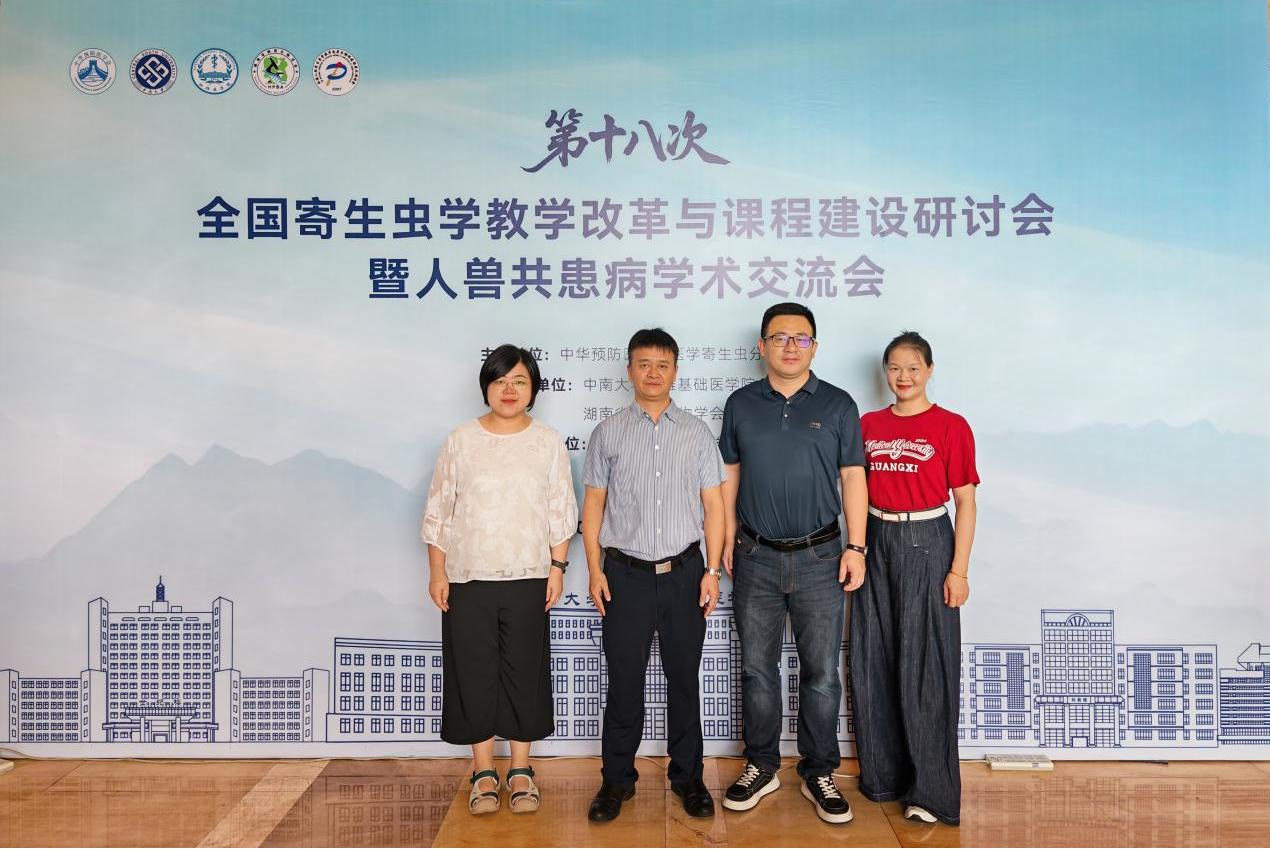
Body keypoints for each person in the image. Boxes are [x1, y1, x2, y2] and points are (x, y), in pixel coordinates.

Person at [720, 302, 867, 824]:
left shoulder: (839, 404)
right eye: (779, 337)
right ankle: (761, 765)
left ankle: (819, 770)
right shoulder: (740, 404)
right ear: (761, 346)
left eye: (800, 338)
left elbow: (853, 477)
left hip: (822, 557)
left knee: (821, 673)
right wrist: (726, 537)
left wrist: (856, 547)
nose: (789, 347)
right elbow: (730, 474)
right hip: (755, 556)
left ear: (815, 347)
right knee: (757, 670)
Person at [421, 344, 578, 815]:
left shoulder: (547, 442)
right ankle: (484, 771)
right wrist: (437, 571)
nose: (509, 390)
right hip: (467, 578)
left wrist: (557, 568)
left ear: (533, 389)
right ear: (486, 387)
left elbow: (560, 509)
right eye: (500, 381)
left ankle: (522, 770)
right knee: (473, 673)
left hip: (530, 575)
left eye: (519, 381)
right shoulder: (460, 440)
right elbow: (439, 511)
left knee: (524, 672)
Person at [582, 328, 727, 823]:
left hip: (686, 573)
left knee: (684, 680)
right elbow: (594, 506)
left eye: (662, 365)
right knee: (624, 683)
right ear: (629, 370)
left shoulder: (697, 433)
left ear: (675, 372)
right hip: (625, 575)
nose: (652, 373)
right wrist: (594, 569)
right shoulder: (608, 432)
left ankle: (689, 778)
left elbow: (714, 507)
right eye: (643, 364)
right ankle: (616, 781)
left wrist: (712, 570)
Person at [851, 330, 979, 826]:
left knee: (927, 666)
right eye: (894, 368)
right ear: (885, 372)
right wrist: (857, 547)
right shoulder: (868, 425)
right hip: (875, 537)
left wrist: (959, 570)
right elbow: (855, 487)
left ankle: (931, 792)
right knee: (873, 657)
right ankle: (883, 779)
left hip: (928, 539)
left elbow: (966, 502)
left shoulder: (951, 425)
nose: (902, 377)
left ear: (929, 370)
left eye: (912, 368)